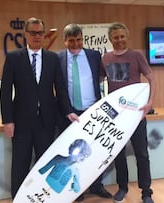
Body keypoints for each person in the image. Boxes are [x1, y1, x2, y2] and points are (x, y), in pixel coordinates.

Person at [0, 17, 78, 199]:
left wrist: (68, 111)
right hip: (21, 123)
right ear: (26, 34)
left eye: (40, 33)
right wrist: (8, 120)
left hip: (46, 122)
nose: (37, 36)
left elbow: (60, 87)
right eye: (33, 33)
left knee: (44, 164)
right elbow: (5, 91)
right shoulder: (13, 58)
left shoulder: (52, 58)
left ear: (44, 35)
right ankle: (19, 199)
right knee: (20, 164)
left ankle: (43, 198)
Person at [101, 22, 156, 203]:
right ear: (110, 39)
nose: (119, 40)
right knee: (118, 154)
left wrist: (150, 103)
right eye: (116, 37)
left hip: (136, 115)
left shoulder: (136, 55)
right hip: (116, 117)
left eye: (122, 36)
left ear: (127, 36)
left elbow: (151, 78)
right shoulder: (105, 58)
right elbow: (101, 81)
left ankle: (146, 191)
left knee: (142, 154)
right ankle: (122, 187)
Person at [57, 23, 112, 202]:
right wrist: (67, 110)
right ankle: (77, 189)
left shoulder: (94, 55)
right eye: (71, 41)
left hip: (92, 110)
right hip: (69, 113)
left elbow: (102, 76)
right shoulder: (57, 58)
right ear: (64, 41)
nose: (75, 44)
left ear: (83, 38)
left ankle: (97, 185)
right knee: (73, 153)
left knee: (95, 151)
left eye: (79, 40)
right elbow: (58, 87)